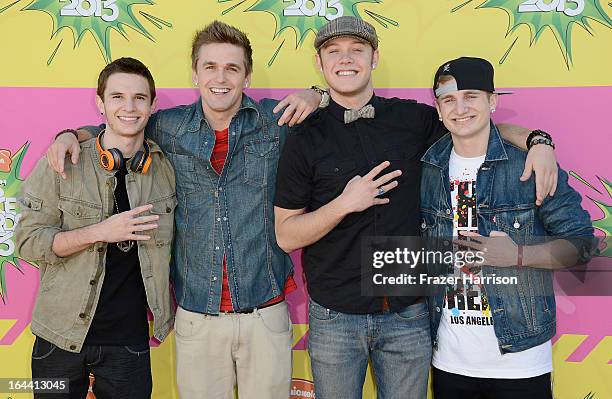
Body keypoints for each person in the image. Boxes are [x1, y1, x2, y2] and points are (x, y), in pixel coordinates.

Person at [273, 17, 559, 399]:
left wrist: (539, 141)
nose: (346, 60)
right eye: (334, 52)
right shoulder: (303, 138)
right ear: (320, 63)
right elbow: (286, 235)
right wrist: (343, 204)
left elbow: (476, 125)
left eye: (356, 50)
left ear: (374, 58)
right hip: (335, 317)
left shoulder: (413, 119)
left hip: (408, 316)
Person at [45, 21, 322, 398]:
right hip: (197, 316)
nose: (220, 78)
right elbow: (121, 124)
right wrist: (69, 134)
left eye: (232, 68)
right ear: (195, 74)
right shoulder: (169, 127)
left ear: (248, 75)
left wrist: (317, 93)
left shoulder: (278, 122)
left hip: (265, 312)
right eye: (210, 67)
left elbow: (338, 117)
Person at [421, 56, 595, 399]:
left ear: (493, 101)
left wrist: (516, 254)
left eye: (471, 95)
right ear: (438, 110)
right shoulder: (428, 167)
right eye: (449, 100)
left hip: (521, 360)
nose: (460, 108)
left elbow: (582, 244)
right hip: (448, 362)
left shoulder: (529, 166)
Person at [16, 57, 175, 399]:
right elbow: (28, 242)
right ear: (100, 103)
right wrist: (100, 231)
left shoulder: (165, 171)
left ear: (153, 104)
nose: (129, 107)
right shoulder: (61, 162)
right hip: (57, 338)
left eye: (139, 98)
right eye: (117, 97)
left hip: (128, 344)